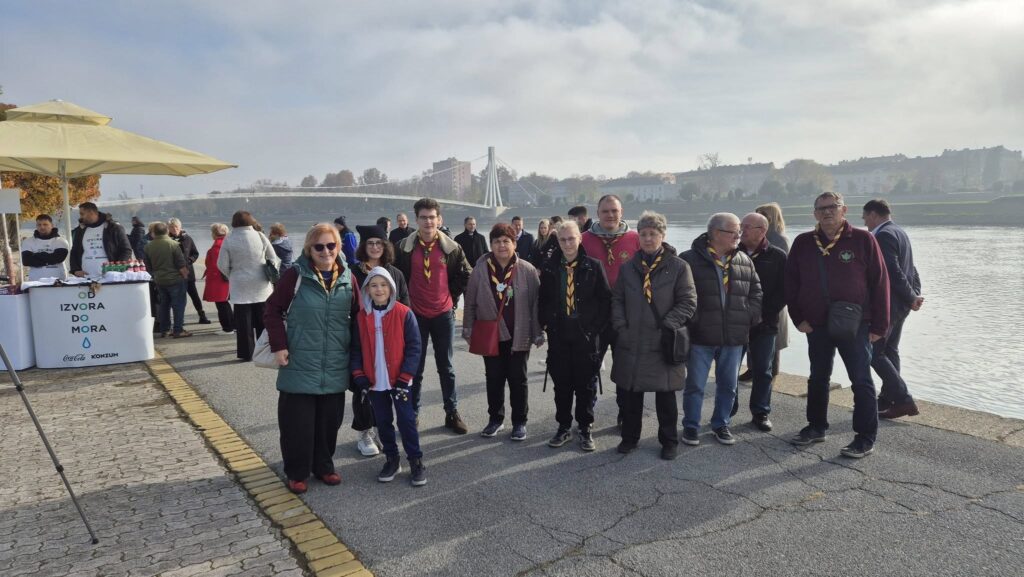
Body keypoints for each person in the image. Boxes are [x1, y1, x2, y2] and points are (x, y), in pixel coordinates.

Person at [787, 192, 889, 459]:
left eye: (833, 207)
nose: (827, 212)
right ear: (814, 214)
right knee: (818, 378)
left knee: (861, 380)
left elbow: (880, 283)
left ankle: (864, 437)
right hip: (816, 324)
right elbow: (791, 283)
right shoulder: (803, 242)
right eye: (821, 208)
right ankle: (816, 427)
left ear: (844, 210)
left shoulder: (863, 240)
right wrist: (798, 318)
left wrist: (879, 326)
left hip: (856, 324)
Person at [264, 223, 355, 494]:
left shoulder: (348, 278)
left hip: (334, 362)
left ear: (339, 247)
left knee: (329, 423)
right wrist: (279, 345)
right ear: (309, 249)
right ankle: (297, 471)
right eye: (319, 246)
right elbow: (272, 310)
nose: (326, 251)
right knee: (298, 424)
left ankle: (324, 466)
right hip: (300, 361)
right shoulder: (295, 275)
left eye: (331, 245)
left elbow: (359, 316)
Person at [611, 210, 696, 460]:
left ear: (663, 235)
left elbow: (688, 302)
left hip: (663, 340)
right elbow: (617, 299)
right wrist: (621, 326)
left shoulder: (679, 267)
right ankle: (630, 437)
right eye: (644, 234)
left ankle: (669, 441)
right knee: (631, 394)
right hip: (632, 340)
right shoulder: (628, 268)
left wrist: (668, 325)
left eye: (653, 234)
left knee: (665, 396)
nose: (648, 239)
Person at [680, 213, 761, 447]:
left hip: (734, 337)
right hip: (701, 336)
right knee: (695, 385)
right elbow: (680, 295)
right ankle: (691, 426)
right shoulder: (688, 260)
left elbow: (756, 292)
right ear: (715, 233)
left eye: (739, 232)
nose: (739, 236)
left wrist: (748, 316)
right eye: (734, 232)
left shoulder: (743, 259)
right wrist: (694, 320)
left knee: (728, 385)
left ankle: (721, 424)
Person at [394, 198, 473, 434]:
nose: (428, 222)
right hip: (414, 315)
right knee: (415, 367)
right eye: (423, 217)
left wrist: (451, 295)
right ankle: (413, 413)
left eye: (432, 217)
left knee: (446, 366)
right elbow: (394, 277)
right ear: (416, 220)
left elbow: (467, 274)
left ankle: (452, 412)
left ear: (439, 219)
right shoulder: (403, 247)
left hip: (443, 314)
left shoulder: (452, 248)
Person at [463, 223, 543, 441]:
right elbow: (470, 302)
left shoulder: (527, 270)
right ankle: (495, 419)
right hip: (491, 334)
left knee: (519, 379)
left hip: (519, 333)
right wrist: (468, 328)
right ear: (491, 244)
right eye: (497, 241)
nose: (501, 245)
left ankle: (519, 422)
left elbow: (536, 304)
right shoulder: (481, 269)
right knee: (494, 378)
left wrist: (537, 331)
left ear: (514, 244)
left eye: (506, 241)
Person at [351, 267, 427, 486]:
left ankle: (415, 460)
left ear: (391, 288)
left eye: (383, 285)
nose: (379, 289)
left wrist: (406, 375)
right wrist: (359, 375)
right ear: (367, 289)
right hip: (375, 382)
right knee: (383, 421)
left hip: (401, 381)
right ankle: (392, 459)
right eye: (374, 285)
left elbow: (415, 347)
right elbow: (355, 349)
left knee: (406, 420)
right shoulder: (361, 317)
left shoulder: (404, 313)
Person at [538, 221, 610, 451]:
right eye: (563, 239)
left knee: (585, 385)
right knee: (562, 385)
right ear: (557, 241)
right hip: (559, 334)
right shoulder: (550, 267)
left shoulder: (594, 266)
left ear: (580, 238)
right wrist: (546, 323)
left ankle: (585, 427)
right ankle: (563, 426)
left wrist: (594, 329)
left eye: (571, 238)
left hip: (585, 336)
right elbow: (543, 300)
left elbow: (605, 301)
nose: (567, 243)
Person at [349, 224, 411, 457]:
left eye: (379, 243)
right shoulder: (353, 273)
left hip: (390, 342)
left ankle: (381, 430)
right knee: (363, 387)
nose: (375, 247)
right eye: (370, 243)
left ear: (386, 246)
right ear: (363, 246)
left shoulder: (395, 274)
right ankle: (364, 432)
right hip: (363, 339)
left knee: (385, 387)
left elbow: (405, 306)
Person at [581, 194, 641, 427]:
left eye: (614, 211)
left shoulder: (635, 238)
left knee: (625, 368)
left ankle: (625, 414)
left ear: (622, 212)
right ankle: (587, 416)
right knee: (589, 368)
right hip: (594, 316)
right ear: (597, 213)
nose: (610, 215)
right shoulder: (583, 239)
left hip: (626, 315)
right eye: (605, 211)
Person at [863, 199, 924, 420]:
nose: (864, 223)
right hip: (901, 305)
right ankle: (887, 399)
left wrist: (911, 296)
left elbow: (893, 271)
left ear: (873, 214)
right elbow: (912, 269)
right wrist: (913, 295)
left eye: (865, 217)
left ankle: (903, 400)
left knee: (874, 353)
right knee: (890, 351)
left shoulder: (883, 236)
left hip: (888, 304)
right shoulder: (900, 232)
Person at [730, 212, 786, 431]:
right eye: (741, 226)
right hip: (735, 322)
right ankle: (728, 409)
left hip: (765, 323)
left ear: (762, 231)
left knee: (763, 370)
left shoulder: (777, 256)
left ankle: (761, 412)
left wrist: (764, 313)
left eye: (746, 227)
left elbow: (785, 290)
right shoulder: (732, 252)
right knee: (730, 369)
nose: (741, 230)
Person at [218, 210, 280, 361]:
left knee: (243, 322)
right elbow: (273, 258)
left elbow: (221, 264)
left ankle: (246, 353)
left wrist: (232, 274)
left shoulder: (229, 239)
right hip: (261, 285)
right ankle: (264, 350)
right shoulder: (260, 236)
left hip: (240, 285)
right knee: (263, 321)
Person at [741, 201, 790, 381]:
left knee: (771, 337)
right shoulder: (743, 244)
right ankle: (753, 368)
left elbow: (782, 272)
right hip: (751, 297)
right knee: (752, 335)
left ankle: (772, 369)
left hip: (771, 296)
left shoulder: (779, 240)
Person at [144, 222, 192, 339]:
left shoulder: (148, 246)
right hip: (175, 279)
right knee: (178, 305)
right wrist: (185, 276)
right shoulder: (173, 244)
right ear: (167, 231)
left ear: (154, 233)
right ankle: (178, 330)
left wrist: (155, 275)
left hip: (160, 280)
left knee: (164, 305)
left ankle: (165, 330)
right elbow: (181, 264)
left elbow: (148, 266)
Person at [69, 202, 133, 278]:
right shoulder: (80, 230)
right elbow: (74, 251)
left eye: (82, 214)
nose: (81, 217)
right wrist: (75, 270)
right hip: (85, 277)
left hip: (110, 277)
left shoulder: (113, 228)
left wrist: (117, 268)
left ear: (91, 213)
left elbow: (126, 250)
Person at [168, 218, 211, 325]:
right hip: (175, 273)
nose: (174, 229)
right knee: (178, 298)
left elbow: (195, 253)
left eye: (176, 227)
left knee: (194, 295)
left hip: (188, 273)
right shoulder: (167, 240)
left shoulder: (187, 238)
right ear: (168, 228)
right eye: (172, 227)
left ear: (180, 227)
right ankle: (179, 320)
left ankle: (202, 316)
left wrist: (190, 260)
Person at [203, 223, 234, 334]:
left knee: (221, 304)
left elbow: (218, 265)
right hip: (224, 278)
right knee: (224, 303)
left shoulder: (218, 245)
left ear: (214, 233)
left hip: (219, 279)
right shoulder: (228, 242)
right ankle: (232, 326)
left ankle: (227, 328)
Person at [21, 214, 69, 281]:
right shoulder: (28, 242)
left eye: (45, 224)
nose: (42, 227)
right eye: (39, 225)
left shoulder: (61, 241)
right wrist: (49, 258)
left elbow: (58, 258)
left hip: (58, 280)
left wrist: (36, 255)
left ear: (52, 225)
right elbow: (26, 261)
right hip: (36, 281)